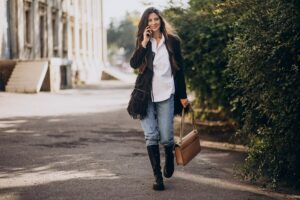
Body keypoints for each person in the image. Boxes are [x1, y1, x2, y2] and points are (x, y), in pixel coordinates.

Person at [128, 7, 189, 191]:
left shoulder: (172, 42)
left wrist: (183, 96)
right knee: (151, 135)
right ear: (145, 24)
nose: (153, 23)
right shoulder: (143, 42)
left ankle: (169, 155)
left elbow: (179, 71)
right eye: (150, 20)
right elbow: (134, 64)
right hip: (145, 96)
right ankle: (157, 177)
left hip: (166, 94)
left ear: (160, 21)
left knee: (166, 136)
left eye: (156, 19)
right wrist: (144, 43)